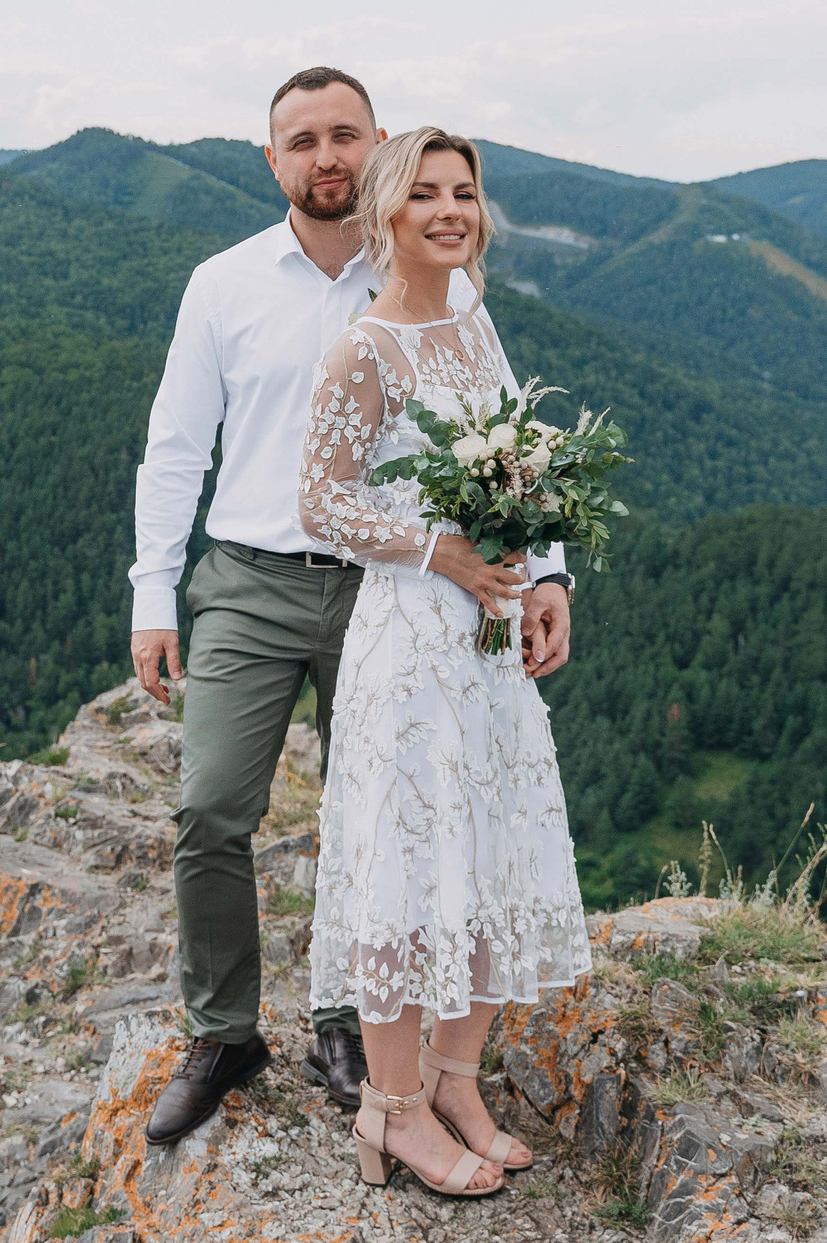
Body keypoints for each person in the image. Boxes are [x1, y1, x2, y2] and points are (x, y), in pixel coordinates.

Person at [130, 72, 573, 1148]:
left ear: (374, 147)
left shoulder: (438, 280)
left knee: (377, 819)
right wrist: (154, 595)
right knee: (210, 809)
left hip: (402, 593)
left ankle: (346, 1028)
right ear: (270, 160)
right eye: (300, 141)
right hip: (253, 580)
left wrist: (547, 569)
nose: (324, 155)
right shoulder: (223, 283)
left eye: (343, 136)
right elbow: (177, 446)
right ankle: (225, 1031)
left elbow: (506, 438)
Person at [296, 126, 591, 1197]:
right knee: (406, 868)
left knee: (488, 850)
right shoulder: (362, 348)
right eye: (424, 195)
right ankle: (394, 1110)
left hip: (488, 640)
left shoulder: (475, 323)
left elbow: (522, 465)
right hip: (412, 638)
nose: (450, 211)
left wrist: (544, 577)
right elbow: (318, 501)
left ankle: (458, 1080)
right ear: (385, 217)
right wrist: (441, 552)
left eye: (463, 192)